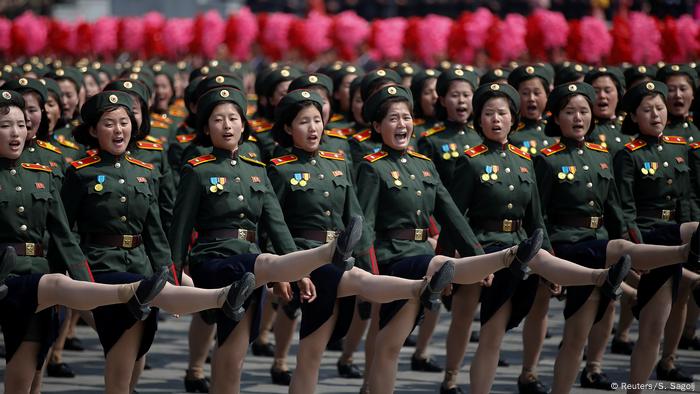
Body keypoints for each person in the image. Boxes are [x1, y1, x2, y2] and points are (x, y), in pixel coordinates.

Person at [0, 89, 252, 394]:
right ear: (93, 130)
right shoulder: (79, 174)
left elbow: (154, 236)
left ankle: (214, 297)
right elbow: (68, 237)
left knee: (130, 348)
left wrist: (169, 274)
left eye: (124, 122)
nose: (119, 130)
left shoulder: (142, 174)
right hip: (97, 268)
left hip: (123, 267)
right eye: (109, 123)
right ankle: (215, 297)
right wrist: (85, 289)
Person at [168, 86, 365, 393]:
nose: (227, 125)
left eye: (233, 118)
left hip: (251, 268)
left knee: (234, 354)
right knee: (262, 266)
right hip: (215, 260)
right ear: (206, 128)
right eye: (218, 119)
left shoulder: (257, 171)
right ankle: (330, 251)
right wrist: (175, 277)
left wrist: (295, 274)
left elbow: (276, 226)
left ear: (243, 124)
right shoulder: (197, 170)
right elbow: (180, 230)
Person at [354, 84, 547, 394]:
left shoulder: (424, 166)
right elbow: (365, 225)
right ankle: (506, 257)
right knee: (390, 344)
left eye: (406, 117)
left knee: (391, 344)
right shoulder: (372, 168)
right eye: (392, 119)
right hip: (394, 259)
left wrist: (474, 256)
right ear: (377, 126)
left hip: (421, 257)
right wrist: (369, 277)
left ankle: (505, 259)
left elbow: (452, 216)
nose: (401, 125)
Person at [440, 82, 631, 394]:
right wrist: (452, 261)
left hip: (521, 250)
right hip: (486, 251)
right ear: (480, 118)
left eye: (502, 114)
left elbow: (536, 219)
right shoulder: (470, 160)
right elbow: (455, 216)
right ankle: (453, 378)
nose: (496, 120)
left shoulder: (524, 160)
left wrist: (550, 261)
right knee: (488, 332)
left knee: (500, 328)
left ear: (513, 119)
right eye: (489, 114)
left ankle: (598, 277)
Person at [536, 82, 700, 393]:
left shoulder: (603, 155)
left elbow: (614, 210)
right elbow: (542, 214)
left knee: (653, 330)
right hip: (584, 247)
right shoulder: (549, 159)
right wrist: (549, 259)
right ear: (557, 118)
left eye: (584, 111)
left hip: (627, 244)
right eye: (570, 112)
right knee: (575, 336)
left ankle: (637, 389)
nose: (579, 118)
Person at [614, 81, 700, 393]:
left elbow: (687, 199)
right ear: (634, 117)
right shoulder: (628, 155)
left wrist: (693, 246)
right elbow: (625, 208)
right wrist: (638, 250)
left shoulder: (680, 148)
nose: (656, 115)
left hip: (677, 238)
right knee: (651, 327)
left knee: (657, 324)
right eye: (647, 110)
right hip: (649, 239)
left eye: (660, 108)